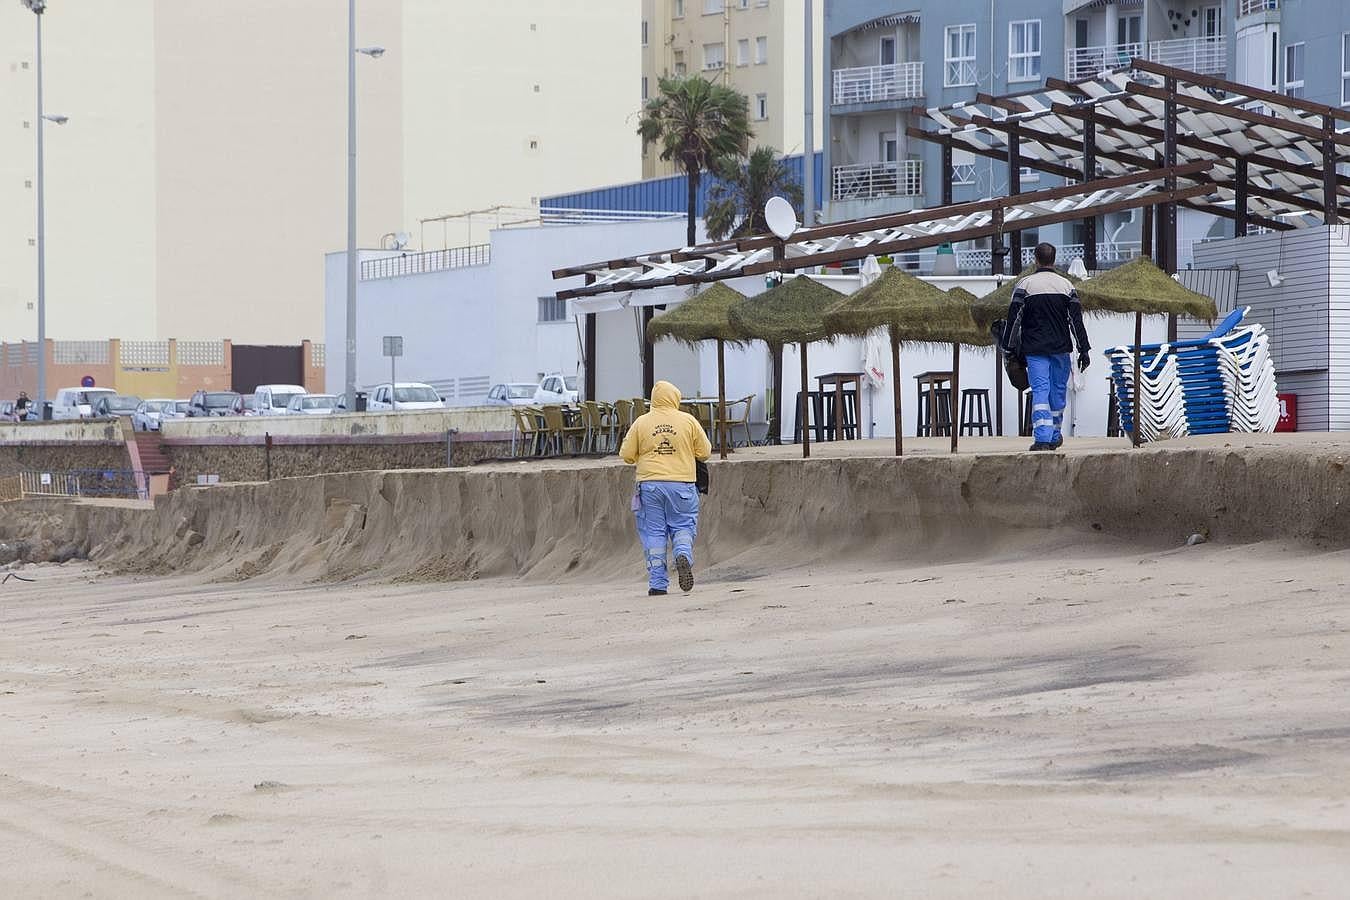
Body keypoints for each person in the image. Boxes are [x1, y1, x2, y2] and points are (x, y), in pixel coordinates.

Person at [619, 380, 711, 596]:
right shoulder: (688, 421)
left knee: (654, 533)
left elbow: (626, 455)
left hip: (650, 486)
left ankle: (658, 584)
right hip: (682, 484)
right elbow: (705, 452)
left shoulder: (641, 422)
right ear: (675, 398)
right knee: (683, 526)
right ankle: (683, 555)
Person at [1003, 243, 1091, 451]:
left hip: (1035, 350)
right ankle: (1054, 435)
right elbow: (1076, 321)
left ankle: (1042, 438)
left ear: (1036, 259)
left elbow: (1014, 319)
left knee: (1040, 392)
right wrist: (1084, 350)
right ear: (1054, 259)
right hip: (1061, 349)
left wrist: (1008, 347)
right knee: (1058, 391)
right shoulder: (1067, 286)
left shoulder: (1025, 285)